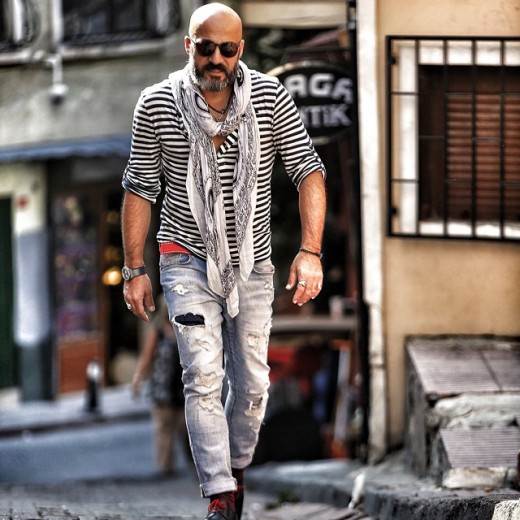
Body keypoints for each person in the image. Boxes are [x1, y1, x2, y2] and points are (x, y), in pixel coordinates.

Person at [121, 3, 326, 519]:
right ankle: (219, 494)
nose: (216, 58)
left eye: (227, 49)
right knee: (202, 375)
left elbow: (308, 171)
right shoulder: (157, 103)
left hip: (253, 265)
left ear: (241, 50)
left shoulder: (271, 98)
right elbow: (140, 189)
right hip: (183, 260)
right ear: (188, 46)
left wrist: (310, 252)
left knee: (253, 384)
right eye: (205, 47)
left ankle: (235, 470)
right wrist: (134, 270)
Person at [131, 294, 187, 476]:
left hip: (182, 386)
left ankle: (193, 461)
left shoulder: (184, 327)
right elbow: (147, 356)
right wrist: (138, 379)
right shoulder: (158, 330)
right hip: (162, 386)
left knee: (185, 425)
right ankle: (165, 465)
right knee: (164, 426)